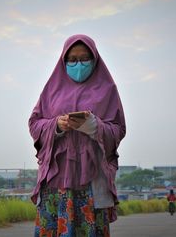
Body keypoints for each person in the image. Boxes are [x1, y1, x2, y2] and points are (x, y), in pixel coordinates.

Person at [29, 34, 126, 237]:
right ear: (63, 60)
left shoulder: (108, 90)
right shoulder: (51, 90)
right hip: (56, 182)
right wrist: (56, 125)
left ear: (95, 59)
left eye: (84, 59)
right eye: (72, 59)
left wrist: (93, 126)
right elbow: (35, 124)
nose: (78, 64)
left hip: (92, 181)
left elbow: (118, 129)